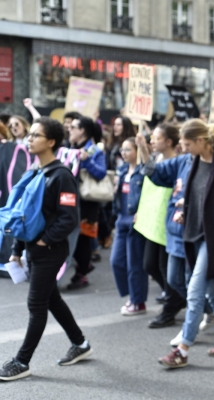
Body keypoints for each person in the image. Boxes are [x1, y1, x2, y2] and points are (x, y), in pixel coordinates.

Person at [0, 117, 92, 382]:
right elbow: (23, 215)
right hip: (34, 248)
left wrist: (44, 241)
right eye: (29, 135)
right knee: (52, 300)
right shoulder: (35, 172)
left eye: (35, 135)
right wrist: (17, 248)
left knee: (36, 304)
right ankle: (81, 344)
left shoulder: (62, 176)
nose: (29, 139)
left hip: (50, 250)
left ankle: (22, 361)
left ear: (51, 141)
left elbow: (69, 218)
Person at [158, 119, 214, 368]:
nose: (183, 148)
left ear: (200, 141)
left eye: (187, 144)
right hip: (193, 234)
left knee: (195, 293)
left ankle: (183, 349)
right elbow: (198, 198)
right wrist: (186, 211)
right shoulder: (194, 161)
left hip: (213, 239)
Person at [135, 124, 187, 328]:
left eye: (156, 138)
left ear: (169, 141)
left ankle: (171, 306)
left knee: (167, 270)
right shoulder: (157, 159)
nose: (152, 141)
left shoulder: (176, 163)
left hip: (168, 224)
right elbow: (148, 178)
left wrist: (143, 149)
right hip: (152, 222)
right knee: (150, 265)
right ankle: (175, 297)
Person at [66, 116, 107, 290]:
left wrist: (87, 160)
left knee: (82, 239)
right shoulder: (70, 148)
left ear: (82, 130)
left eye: (73, 126)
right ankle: (83, 266)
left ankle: (82, 272)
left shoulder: (94, 151)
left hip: (87, 203)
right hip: (70, 201)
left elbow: (101, 173)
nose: (69, 129)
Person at [110, 137, 148, 315]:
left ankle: (138, 301)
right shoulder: (122, 169)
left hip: (135, 222)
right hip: (121, 219)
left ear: (137, 151)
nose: (124, 154)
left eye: (128, 150)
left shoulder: (143, 171)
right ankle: (132, 295)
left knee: (135, 264)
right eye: (122, 150)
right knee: (116, 261)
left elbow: (149, 195)